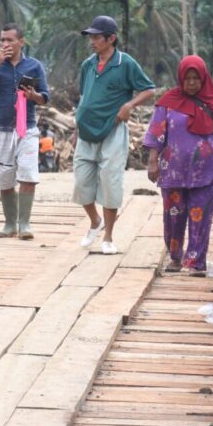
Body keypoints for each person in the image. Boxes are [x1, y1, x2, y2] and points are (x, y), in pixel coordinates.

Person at [143, 55, 213, 274]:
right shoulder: (168, 102)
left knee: (200, 216)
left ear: (204, 78)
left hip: (207, 172)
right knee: (174, 216)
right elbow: (156, 132)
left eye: (196, 78)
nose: (192, 83)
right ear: (181, 78)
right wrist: (152, 161)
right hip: (173, 171)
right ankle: (176, 258)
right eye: (188, 78)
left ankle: (195, 262)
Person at [73, 16, 156, 254]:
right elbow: (84, 98)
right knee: (81, 183)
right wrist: (76, 129)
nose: (92, 41)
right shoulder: (87, 65)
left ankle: (108, 237)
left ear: (111, 38)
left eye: (97, 37)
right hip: (86, 132)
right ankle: (95, 221)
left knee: (110, 182)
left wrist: (129, 105)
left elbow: (149, 88)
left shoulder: (125, 63)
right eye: (91, 37)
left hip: (112, 130)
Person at [0, 22, 49, 240]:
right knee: (5, 178)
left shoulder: (34, 66)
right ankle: (9, 224)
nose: (5, 44)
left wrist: (32, 95)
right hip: (1, 129)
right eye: (2, 40)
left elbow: (45, 97)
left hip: (27, 129)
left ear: (21, 42)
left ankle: (24, 224)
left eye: (10, 40)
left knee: (28, 175)